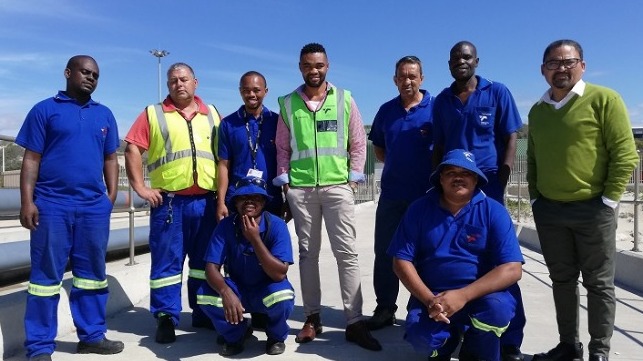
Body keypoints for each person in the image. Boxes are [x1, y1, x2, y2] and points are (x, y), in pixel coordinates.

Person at [527, 39, 638, 361]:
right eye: (553, 63)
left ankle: (599, 352)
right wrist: (535, 200)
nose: (561, 69)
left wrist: (608, 201)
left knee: (599, 284)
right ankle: (568, 346)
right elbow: (532, 160)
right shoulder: (539, 111)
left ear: (582, 65)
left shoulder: (605, 100)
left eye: (568, 62)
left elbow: (625, 154)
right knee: (561, 280)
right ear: (543, 70)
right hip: (549, 211)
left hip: (593, 210)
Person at [273, 42, 381, 351]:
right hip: (302, 190)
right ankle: (312, 318)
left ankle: (354, 321)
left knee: (346, 254)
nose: (314, 70)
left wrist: (353, 179)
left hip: (337, 188)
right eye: (308, 65)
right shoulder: (288, 103)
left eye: (318, 65)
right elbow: (282, 147)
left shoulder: (345, 99)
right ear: (300, 67)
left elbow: (358, 142)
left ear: (327, 66)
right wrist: (286, 184)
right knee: (308, 256)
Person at [17, 55, 124, 361]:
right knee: (45, 278)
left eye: (95, 75)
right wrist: (27, 201)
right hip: (51, 205)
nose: (90, 77)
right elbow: (31, 159)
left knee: (92, 274)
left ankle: (91, 336)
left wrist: (110, 198)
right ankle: (39, 347)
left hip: (93, 207)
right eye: (85, 72)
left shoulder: (104, 115)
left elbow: (109, 159)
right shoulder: (45, 110)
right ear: (68, 73)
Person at [432, 40, 526, 361]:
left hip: (488, 184)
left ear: (476, 61)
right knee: (459, 253)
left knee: (501, 260)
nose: (462, 61)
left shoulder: (496, 92)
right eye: (456, 56)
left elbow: (511, 134)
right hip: (453, 188)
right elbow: (439, 145)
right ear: (449, 63)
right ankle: (458, 323)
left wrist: (505, 171)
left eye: (467, 56)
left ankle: (511, 337)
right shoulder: (442, 101)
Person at [389, 149, 524, 361]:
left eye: (466, 173)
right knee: (421, 338)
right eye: (450, 172)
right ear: (440, 179)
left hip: (481, 296)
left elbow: (512, 268)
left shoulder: (493, 211)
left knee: (497, 311)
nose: (458, 177)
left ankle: (475, 347)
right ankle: (445, 342)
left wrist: (463, 295)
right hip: (434, 296)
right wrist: (429, 300)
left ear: (476, 179)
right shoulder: (419, 209)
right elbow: (400, 260)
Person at [124, 62, 222, 344]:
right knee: (167, 262)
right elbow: (132, 148)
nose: (178, 85)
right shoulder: (153, 114)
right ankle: (166, 317)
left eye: (183, 79)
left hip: (207, 201)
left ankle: (203, 312)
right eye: (172, 81)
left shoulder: (213, 114)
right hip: (170, 204)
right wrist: (140, 187)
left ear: (195, 82)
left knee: (205, 262)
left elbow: (225, 155)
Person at [366, 55, 434, 330]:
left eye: (412, 76)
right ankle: (385, 308)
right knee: (385, 253)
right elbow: (379, 149)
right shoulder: (386, 111)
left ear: (422, 78)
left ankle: (421, 306)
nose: (407, 81)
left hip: (427, 196)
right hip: (392, 196)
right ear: (395, 80)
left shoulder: (436, 109)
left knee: (426, 255)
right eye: (402, 77)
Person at [196, 176, 295, 357]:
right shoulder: (226, 226)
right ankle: (236, 333)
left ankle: (275, 335)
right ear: (235, 202)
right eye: (243, 197)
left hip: (265, 288)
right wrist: (226, 292)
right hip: (237, 289)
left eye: (256, 197)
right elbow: (211, 268)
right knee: (205, 295)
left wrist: (255, 239)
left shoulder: (277, 225)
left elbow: (280, 274)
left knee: (283, 294)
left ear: (264, 202)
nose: (249, 201)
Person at [216, 71, 285, 221]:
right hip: (238, 198)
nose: (251, 94)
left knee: (268, 243)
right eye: (246, 90)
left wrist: (289, 198)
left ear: (265, 92)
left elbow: (286, 160)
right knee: (238, 243)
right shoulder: (228, 124)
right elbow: (223, 165)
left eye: (256, 90)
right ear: (240, 91)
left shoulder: (278, 122)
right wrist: (221, 202)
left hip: (270, 197)